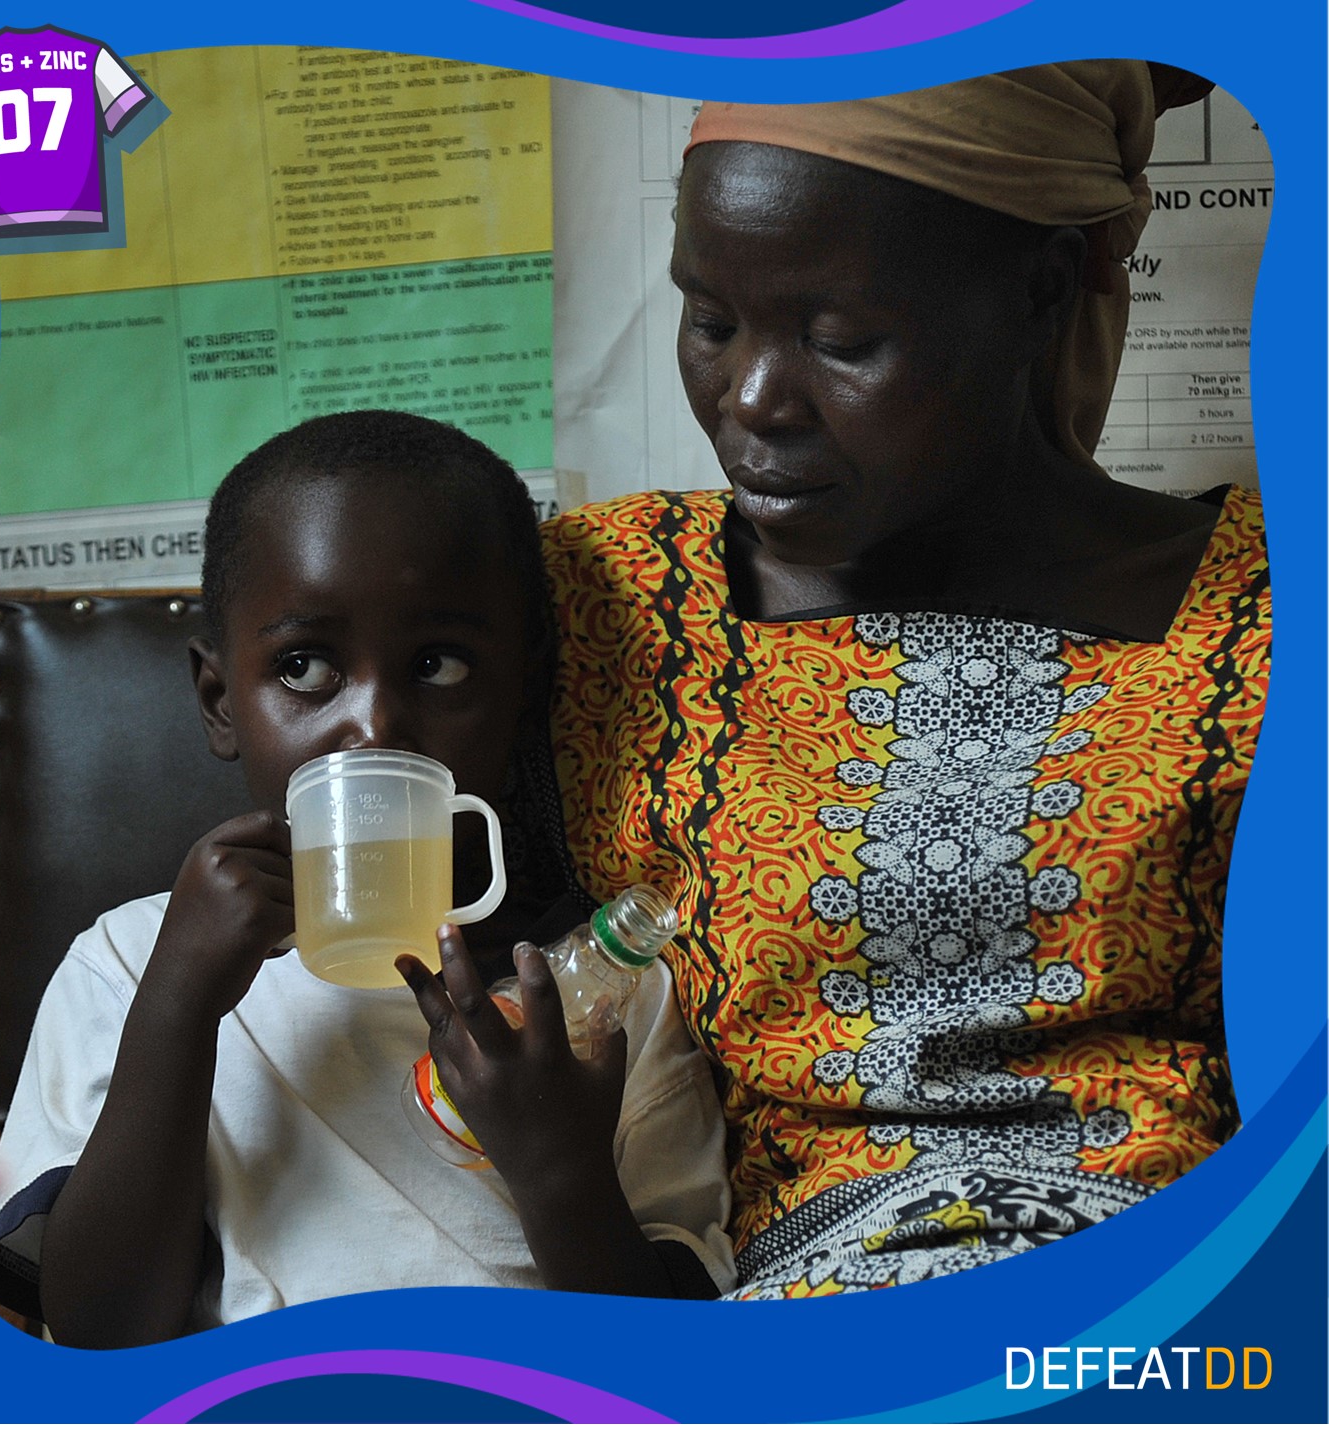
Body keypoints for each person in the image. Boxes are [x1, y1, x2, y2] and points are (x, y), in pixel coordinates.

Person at [538, 63, 1270, 1298]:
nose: (755, 402)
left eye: (840, 342)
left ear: (1050, 285)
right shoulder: (603, 603)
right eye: (711, 321)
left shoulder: (1268, 614)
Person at [0, 410, 733, 1346]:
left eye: (438, 665)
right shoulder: (129, 966)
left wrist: (557, 1169)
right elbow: (98, 1330)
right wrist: (179, 1004)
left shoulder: (605, 999)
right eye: (304, 667)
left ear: (526, 692)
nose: (374, 726)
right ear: (221, 702)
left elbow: (680, 1365)